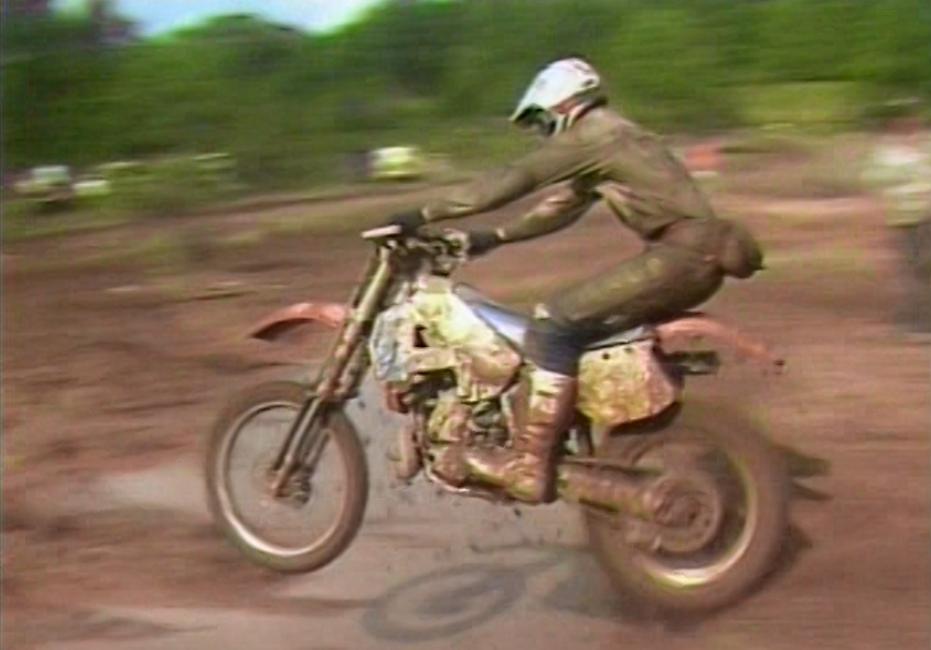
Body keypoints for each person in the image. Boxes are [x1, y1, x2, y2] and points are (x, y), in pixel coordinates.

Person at [387, 58, 763, 503]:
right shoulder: (611, 140)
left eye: (542, 120)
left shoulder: (596, 132)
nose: (544, 132)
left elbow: (517, 178)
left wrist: (424, 213)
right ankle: (555, 433)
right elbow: (559, 207)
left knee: (552, 323)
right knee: (575, 336)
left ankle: (530, 463)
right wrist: (492, 237)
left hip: (680, 255)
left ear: (563, 104)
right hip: (689, 254)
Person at [863, 98, 931, 335]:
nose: (913, 126)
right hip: (907, 220)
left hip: (924, 217)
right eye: (907, 122)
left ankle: (913, 317)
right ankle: (915, 320)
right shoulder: (887, 155)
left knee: (919, 269)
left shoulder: (924, 148)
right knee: (914, 268)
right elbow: (876, 181)